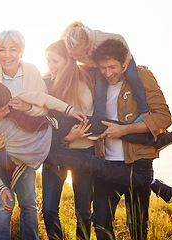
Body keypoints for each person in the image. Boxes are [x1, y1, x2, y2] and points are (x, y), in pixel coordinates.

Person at [0, 78, 172, 210]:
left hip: (54, 126)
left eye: (8, 106)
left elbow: (44, 99)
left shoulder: (7, 98)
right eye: (3, 111)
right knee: (95, 165)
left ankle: (154, 138)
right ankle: (152, 185)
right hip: (50, 153)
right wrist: (1, 189)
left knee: (97, 123)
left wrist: (69, 110)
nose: (9, 111)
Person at [91, 38, 172, 239]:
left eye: (112, 67)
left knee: (137, 228)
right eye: (103, 67)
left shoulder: (141, 74)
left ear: (125, 63)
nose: (108, 72)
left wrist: (125, 130)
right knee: (101, 223)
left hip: (138, 162)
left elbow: (163, 117)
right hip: (106, 162)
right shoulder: (97, 81)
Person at [0, 30, 47, 240]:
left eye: (13, 49)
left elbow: (44, 106)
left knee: (28, 202)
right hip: (0, 151)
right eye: (1, 49)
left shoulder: (32, 72)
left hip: (26, 148)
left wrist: (28, 106)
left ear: (22, 51)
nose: (7, 54)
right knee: (2, 201)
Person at [42, 39, 95, 240]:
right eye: (48, 61)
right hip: (55, 152)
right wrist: (66, 137)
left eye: (55, 61)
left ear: (68, 60)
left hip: (84, 152)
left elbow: (90, 118)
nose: (51, 66)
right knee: (48, 209)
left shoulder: (87, 82)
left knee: (83, 211)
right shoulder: (45, 83)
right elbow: (42, 123)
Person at [63, 20, 149, 123]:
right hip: (101, 64)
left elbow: (120, 38)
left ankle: (145, 110)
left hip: (123, 55)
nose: (76, 58)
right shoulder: (73, 46)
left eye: (79, 55)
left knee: (132, 76)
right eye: (72, 56)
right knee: (100, 89)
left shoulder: (98, 38)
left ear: (88, 46)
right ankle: (99, 121)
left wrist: (128, 58)